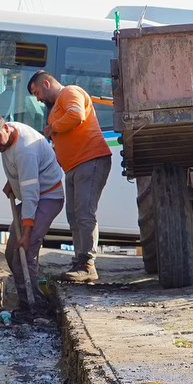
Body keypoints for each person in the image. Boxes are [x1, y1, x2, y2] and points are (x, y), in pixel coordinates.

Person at [27, 70, 112, 283]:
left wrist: (51, 128)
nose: (37, 98)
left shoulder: (69, 93)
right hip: (75, 166)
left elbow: (76, 116)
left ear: (46, 84)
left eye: (37, 92)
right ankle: (79, 262)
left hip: (90, 160)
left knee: (84, 212)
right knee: (74, 215)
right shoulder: (56, 108)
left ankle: (87, 264)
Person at [0, 113, 64, 319]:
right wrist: (13, 181)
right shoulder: (8, 137)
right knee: (11, 253)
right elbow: (17, 169)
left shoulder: (25, 150)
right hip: (32, 194)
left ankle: (34, 306)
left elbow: (31, 194)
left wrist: (27, 230)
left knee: (25, 250)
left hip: (47, 197)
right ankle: (29, 299)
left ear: (6, 128)